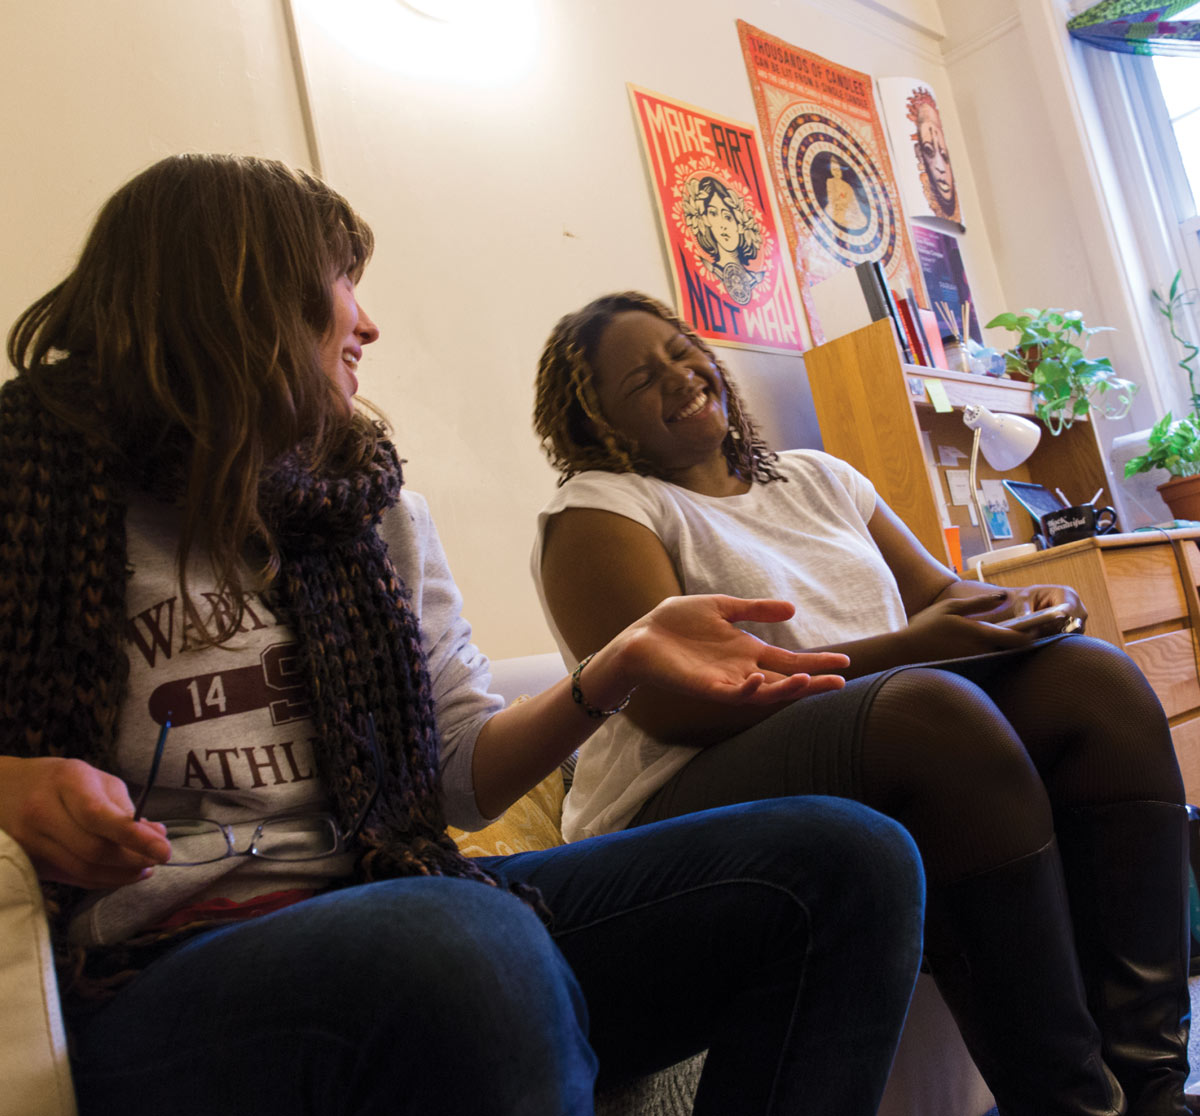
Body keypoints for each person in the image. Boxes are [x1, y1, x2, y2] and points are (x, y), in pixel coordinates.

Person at [0, 155, 926, 1116]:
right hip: (154, 971)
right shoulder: (27, 483)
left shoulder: (371, 509)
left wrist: (615, 670)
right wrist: (10, 783)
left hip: (404, 900)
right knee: (458, 939)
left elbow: (455, 780)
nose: (366, 323)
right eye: (340, 288)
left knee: (849, 860)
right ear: (240, 299)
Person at [532, 289, 1193, 1116]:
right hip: (679, 796)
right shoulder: (601, 507)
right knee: (932, 715)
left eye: (678, 350)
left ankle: (1153, 1087)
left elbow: (943, 597)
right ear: (599, 425)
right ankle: (1068, 1107)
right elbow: (674, 706)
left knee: (1093, 681)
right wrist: (916, 649)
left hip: (880, 734)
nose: (681, 376)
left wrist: (1028, 610)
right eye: (641, 380)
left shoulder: (821, 478)